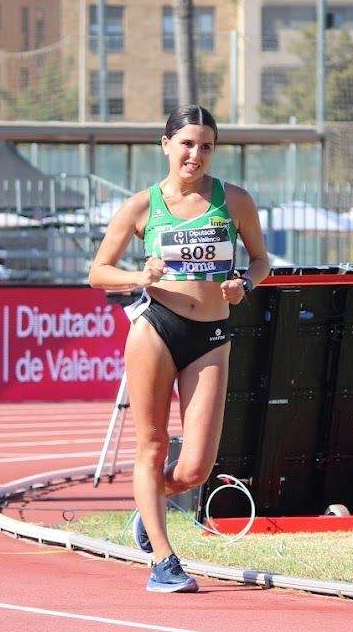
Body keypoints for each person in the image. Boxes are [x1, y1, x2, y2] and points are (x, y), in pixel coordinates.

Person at [88, 104, 269, 592]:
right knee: (149, 447)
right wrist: (137, 276)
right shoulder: (142, 206)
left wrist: (243, 286)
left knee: (192, 469)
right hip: (156, 328)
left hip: (210, 336)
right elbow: (97, 271)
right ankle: (164, 562)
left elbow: (260, 261)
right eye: (187, 143)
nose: (196, 154)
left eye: (206, 146)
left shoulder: (234, 200)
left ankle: (149, 509)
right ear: (166, 144)